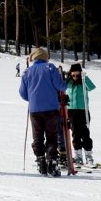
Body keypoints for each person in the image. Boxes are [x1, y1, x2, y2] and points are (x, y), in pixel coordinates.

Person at [18, 47, 67, 177]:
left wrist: (33, 98)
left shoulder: (27, 72)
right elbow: (61, 86)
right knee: (52, 136)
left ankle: (41, 161)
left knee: (37, 137)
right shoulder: (50, 68)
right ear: (45, 57)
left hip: (34, 110)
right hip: (51, 108)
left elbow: (22, 93)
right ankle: (52, 163)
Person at [66, 63, 96, 166]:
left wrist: (85, 78)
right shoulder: (68, 82)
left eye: (77, 75)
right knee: (75, 134)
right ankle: (78, 156)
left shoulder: (83, 82)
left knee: (85, 133)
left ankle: (88, 156)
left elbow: (92, 87)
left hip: (83, 111)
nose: (75, 77)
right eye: (73, 75)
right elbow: (60, 87)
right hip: (71, 111)